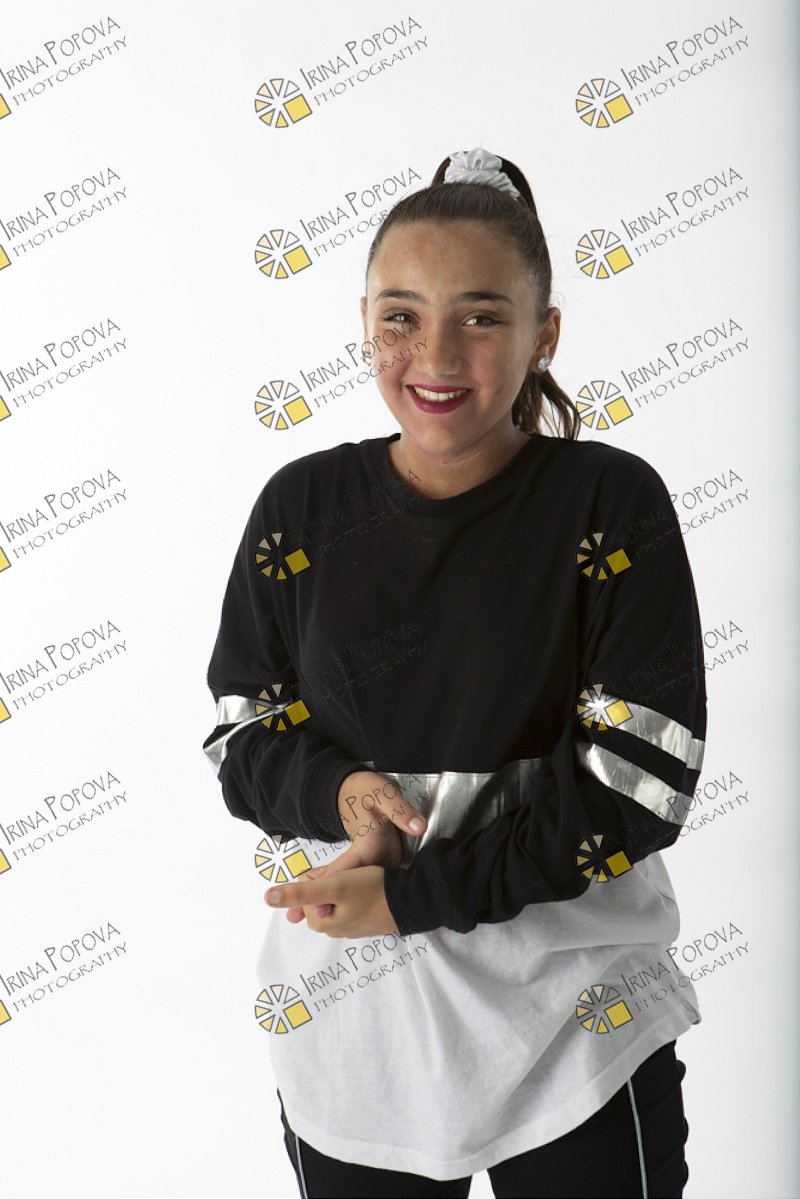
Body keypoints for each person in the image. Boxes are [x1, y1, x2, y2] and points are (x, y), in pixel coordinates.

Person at [202, 147, 707, 1198]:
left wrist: (409, 894)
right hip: (359, 1034)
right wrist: (341, 791)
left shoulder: (608, 504)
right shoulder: (301, 507)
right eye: (401, 316)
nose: (434, 354)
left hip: (576, 1026)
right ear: (364, 320)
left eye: (480, 316)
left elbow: (637, 786)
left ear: (544, 334)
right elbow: (242, 731)